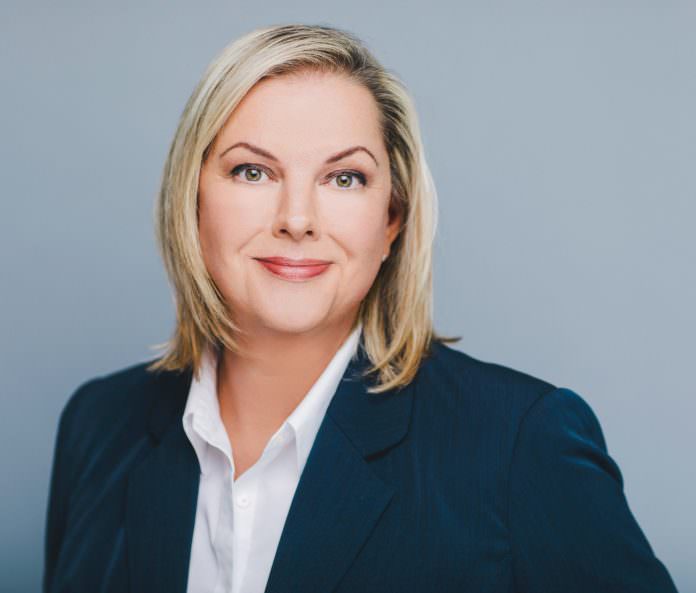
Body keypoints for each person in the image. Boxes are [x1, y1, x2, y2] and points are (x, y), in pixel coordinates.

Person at [43, 23, 679, 593]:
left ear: (391, 220)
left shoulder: (520, 443)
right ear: (193, 200)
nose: (297, 219)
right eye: (252, 172)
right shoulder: (99, 426)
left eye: (344, 178)